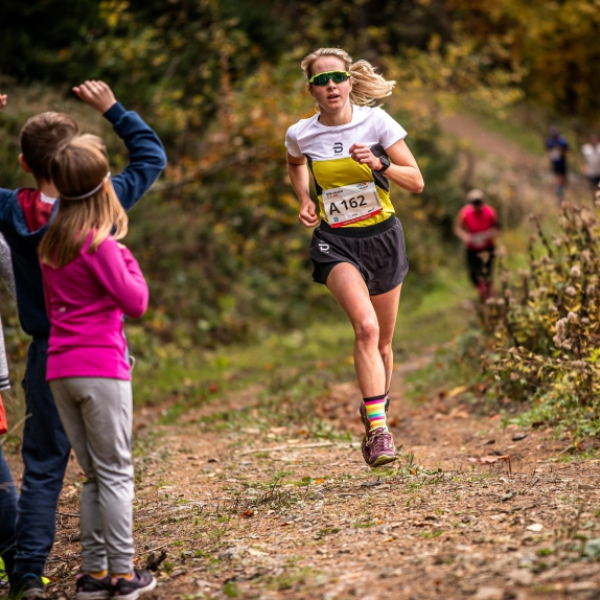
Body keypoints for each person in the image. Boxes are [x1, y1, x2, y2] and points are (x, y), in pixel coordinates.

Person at [0, 82, 166, 599]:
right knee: (112, 470)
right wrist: (112, 108)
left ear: (26, 164)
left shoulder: (14, 213)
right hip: (99, 354)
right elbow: (151, 155)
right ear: (89, 168)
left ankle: (28, 570)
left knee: (45, 465)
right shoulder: (99, 211)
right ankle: (116, 572)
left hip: (50, 355)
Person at [285, 48, 424, 468]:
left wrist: (379, 162)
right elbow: (294, 163)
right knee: (364, 327)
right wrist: (305, 198)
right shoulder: (300, 133)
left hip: (382, 237)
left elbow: (415, 181)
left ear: (349, 81)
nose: (330, 86)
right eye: (320, 80)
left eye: (337, 78)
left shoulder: (377, 122)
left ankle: (373, 409)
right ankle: (381, 432)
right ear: (310, 88)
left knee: (383, 341)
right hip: (336, 242)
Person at [39, 134, 155, 600]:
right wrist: (125, 257)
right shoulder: (100, 244)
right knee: (116, 472)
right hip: (100, 366)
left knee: (93, 474)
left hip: (61, 370)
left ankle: (92, 575)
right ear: (104, 184)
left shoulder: (52, 243)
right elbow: (137, 301)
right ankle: (124, 574)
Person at [453, 189, 500, 301]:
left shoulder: (490, 212)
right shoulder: (465, 213)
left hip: (487, 247)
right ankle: (483, 293)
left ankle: (491, 294)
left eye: (479, 202)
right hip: (472, 249)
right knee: (474, 273)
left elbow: (498, 228)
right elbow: (457, 228)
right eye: (474, 202)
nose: (477, 205)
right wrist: (465, 237)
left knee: (488, 271)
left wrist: (489, 234)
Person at [545, 126, 569, 200]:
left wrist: (561, 150)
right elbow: (547, 151)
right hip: (555, 163)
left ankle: (562, 191)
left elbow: (567, 151)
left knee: (563, 179)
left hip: (562, 162)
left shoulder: (562, 141)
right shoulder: (549, 141)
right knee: (558, 177)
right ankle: (559, 191)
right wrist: (548, 158)